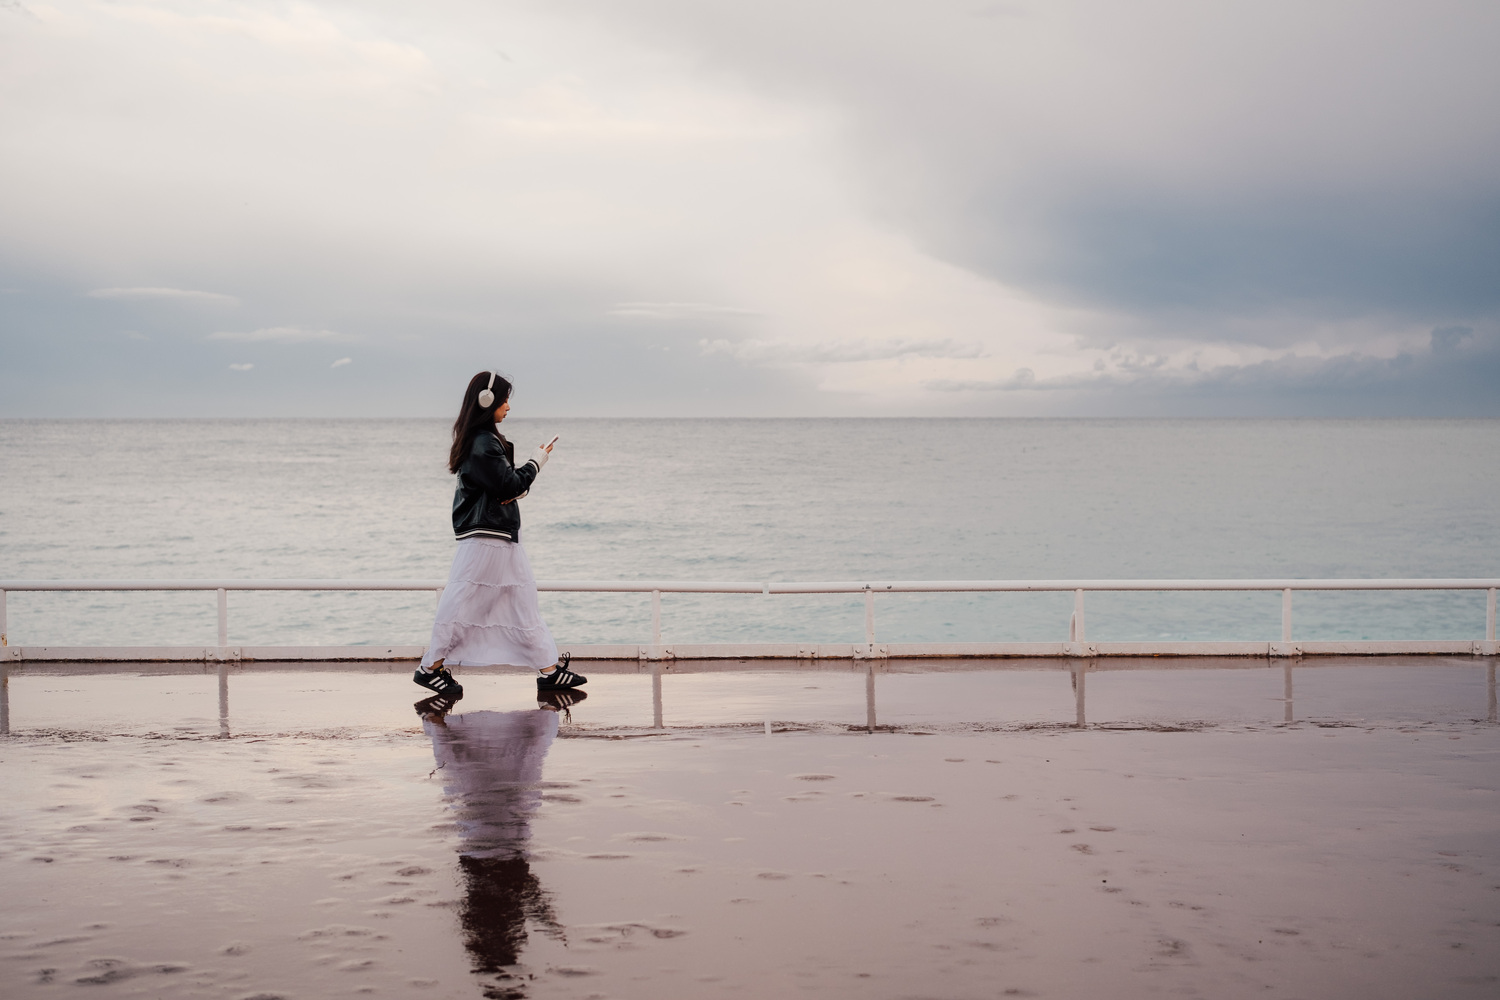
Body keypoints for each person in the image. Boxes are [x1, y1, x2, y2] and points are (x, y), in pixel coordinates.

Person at [414, 370, 587, 697]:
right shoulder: (483, 443)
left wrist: (514, 485)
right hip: (487, 538)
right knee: (464, 600)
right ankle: (429, 667)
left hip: (498, 535)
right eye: (505, 399)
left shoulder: (483, 441)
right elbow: (509, 483)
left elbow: (504, 486)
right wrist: (537, 461)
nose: (508, 406)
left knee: (522, 601)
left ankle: (549, 670)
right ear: (487, 400)